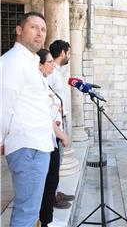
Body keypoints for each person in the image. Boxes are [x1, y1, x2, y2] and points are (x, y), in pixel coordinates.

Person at [0, 12, 54, 227]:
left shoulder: (30, 61)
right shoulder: (13, 61)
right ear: (19, 30)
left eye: (43, 29)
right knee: (27, 211)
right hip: (28, 146)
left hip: (38, 144)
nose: (40, 33)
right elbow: (4, 104)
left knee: (31, 208)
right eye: (34, 27)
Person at [37, 49, 70, 226]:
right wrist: (61, 134)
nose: (53, 65)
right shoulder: (38, 84)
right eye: (49, 62)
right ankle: (45, 221)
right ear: (40, 65)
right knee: (49, 182)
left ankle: (46, 219)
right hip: (47, 138)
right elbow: (45, 115)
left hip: (52, 138)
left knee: (52, 180)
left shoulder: (44, 82)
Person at [48, 39, 75, 208]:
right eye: (69, 52)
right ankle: (51, 197)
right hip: (53, 124)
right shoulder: (50, 72)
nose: (70, 56)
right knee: (54, 162)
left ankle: (55, 191)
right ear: (63, 53)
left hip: (60, 121)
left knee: (57, 162)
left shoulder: (56, 71)